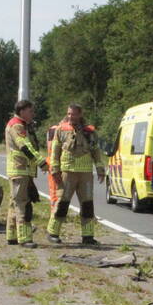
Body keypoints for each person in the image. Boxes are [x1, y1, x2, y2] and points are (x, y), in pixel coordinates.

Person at [47, 104, 105, 245]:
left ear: (80, 114)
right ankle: (52, 232)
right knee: (62, 203)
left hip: (85, 174)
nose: (70, 116)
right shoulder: (61, 130)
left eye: (73, 114)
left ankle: (88, 236)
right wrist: (55, 170)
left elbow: (96, 151)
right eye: (68, 114)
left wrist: (100, 169)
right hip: (67, 172)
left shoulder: (89, 131)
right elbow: (55, 151)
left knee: (87, 205)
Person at [4, 99, 47, 248]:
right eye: (31, 111)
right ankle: (25, 238)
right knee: (23, 204)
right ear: (22, 111)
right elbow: (25, 146)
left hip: (20, 170)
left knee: (14, 203)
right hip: (20, 169)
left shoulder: (20, 124)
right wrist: (41, 162)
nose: (33, 114)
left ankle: (12, 236)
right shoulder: (17, 125)